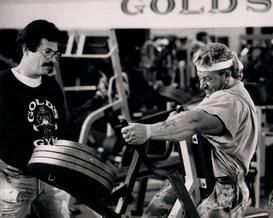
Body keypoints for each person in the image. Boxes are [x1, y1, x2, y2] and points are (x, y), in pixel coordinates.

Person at [121, 42, 258, 217]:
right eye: (200, 78)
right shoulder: (219, 95)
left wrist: (148, 131)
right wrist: (178, 118)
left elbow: (194, 121)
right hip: (199, 181)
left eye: (208, 78)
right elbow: (194, 115)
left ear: (227, 75)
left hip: (226, 191)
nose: (202, 85)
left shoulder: (231, 100)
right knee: (154, 212)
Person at [0, 20, 70, 217]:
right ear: (26, 49)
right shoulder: (3, 83)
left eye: (56, 54)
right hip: (16, 180)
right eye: (47, 52)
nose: (52, 60)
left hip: (52, 179)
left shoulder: (52, 86)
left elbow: (62, 128)